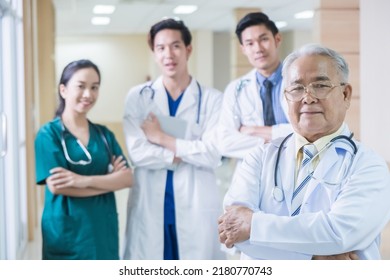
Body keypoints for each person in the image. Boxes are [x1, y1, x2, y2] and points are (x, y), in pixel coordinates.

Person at [218, 44, 390, 260]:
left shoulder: (368, 165)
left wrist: (254, 225)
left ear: (346, 95)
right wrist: (314, 259)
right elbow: (233, 233)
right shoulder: (259, 158)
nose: (308, 98)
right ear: (286, 98)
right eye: (297, 89)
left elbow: (339, 232)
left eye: (320, 85)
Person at [122, 18, 224, 260]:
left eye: (176, 46)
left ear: (188, 49)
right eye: (161, 48)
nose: (169, 54)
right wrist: (188, 152)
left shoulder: (213, 99)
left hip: (196, 201)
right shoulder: (138, 97)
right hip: (150, 201)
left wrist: (160, 137)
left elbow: (212, 154)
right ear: (154, 53)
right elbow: (138, 152)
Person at [35, 59, 133, 259]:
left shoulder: (104, 135)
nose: (88, 94)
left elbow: (128, 178)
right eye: (81, 86)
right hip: (66, 232)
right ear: (63, 90)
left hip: (102, 230)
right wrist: (109, 182)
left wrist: (82, 180)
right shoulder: (48, 134)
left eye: (94, 87)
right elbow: (57, 186)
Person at [217, 12, 292, 163]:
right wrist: (279, 140)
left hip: (295, 168)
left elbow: (310, 132)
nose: (258, 48)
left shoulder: (300, 82)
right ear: (243, 49)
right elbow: (225, 142)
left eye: (263, 39)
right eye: (250, 43)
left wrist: (254, 131)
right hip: (254, 171)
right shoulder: (235, 89)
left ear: (277, 39)